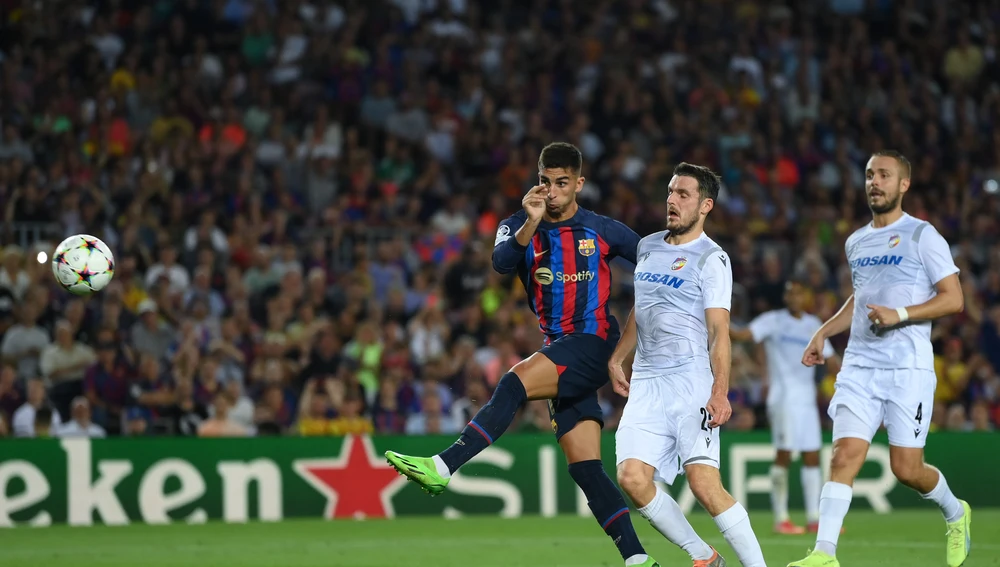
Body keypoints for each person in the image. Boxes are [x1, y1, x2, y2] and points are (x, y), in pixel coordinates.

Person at [385, 142, 660, 567]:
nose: (551, 191)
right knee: (586, 468)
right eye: (545, 182)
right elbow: (500, 263)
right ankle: (638, 559)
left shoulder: (602, 230)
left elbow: (653, 259)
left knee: (514, 381)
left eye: (562, 183)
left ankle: (444, 465)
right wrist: (529, 223)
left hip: (592, 340)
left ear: (579, 184)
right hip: (559, 350)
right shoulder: (518, 225)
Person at [788, 151, 970, 567]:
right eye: (870, 174)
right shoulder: (856, 240)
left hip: (908, 369)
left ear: (903, 184)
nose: (875, 182)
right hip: (860, 366)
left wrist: (901, 315)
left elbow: (954, 299)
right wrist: (823, 330)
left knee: (907, 469)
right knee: (843, 456)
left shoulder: (924, 236)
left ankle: (956, 512)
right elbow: (861, 298)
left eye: (884, 175)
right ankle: (823, 554)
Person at [609, 163, 767, 567]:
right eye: (670, 192)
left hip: (691, 381)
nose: (672, 201)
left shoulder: (712, 259)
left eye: (683, 195)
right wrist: (618, 356)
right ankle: (705, 556)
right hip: (647, 382)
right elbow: (640, 310)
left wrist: (719, 389)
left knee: (704, 484)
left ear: (705, 205)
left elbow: (719, 331)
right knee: (632, 479)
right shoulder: (647, 246)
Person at [730, 278, 836, 534]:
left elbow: (832, 360)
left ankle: (813, 518)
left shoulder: (813, 324)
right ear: (785, 297)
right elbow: (743, 334)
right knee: (784, 454)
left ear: (805, 297)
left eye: (798, 294)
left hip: (807, 401)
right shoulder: (773, 320)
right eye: (789, 294)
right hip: (783, 398)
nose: (793, 298)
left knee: (812, 456)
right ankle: (781, 518)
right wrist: (717, 315)